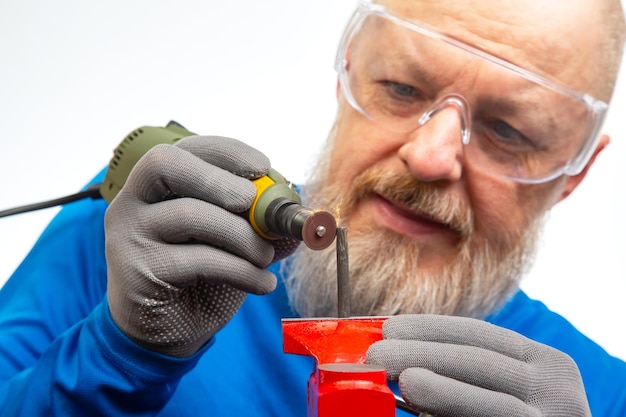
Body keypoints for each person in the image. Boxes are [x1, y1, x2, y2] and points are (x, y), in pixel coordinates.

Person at [1, 0, 625, 415]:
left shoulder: (602, 398)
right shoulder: (149, 241)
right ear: (345, 75)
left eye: (510, 130)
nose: (431, 156)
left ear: (574, 172)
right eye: (402, 89)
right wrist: (119, 354)